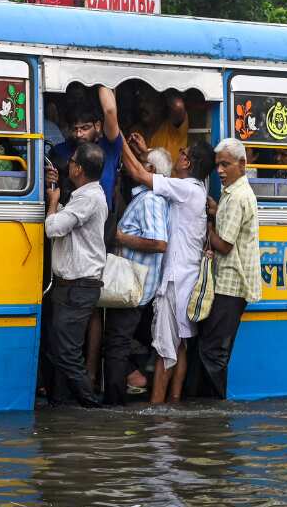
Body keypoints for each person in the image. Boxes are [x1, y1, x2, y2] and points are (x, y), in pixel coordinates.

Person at [122, 139, 215, 404]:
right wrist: (143, 153)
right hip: (188, 280)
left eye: (182, 153)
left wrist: (117, 139)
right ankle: (173, 404)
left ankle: (157, 411)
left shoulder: (185, 189)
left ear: (187, 162)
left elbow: (140, 174)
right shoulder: (196, 189)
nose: (178, 156)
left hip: (175, 282)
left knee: (166, 350)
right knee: (180, 347)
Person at [192, 139, 261, 399]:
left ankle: (214, 413)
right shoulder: (234, 193)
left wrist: (207, 227)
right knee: (213, 349)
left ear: (242, 164)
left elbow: (224, 245)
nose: (219, 170)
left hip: (230, 284)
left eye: (225, 164)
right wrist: (216, 211)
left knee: (213, 353)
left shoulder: (237, 196)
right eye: (218, 164)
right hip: (229, 284)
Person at [103, 148, 171, 405]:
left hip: (134, 286)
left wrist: (121, 238)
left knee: (117, 344)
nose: (136, 169)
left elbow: (158, 242)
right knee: (119, 342)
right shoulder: (144, 198)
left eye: (142, 164)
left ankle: (114, 402)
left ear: (151, 171)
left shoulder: (151, 200)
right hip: (135, 285)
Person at [43, 143, 107, 408]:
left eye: (71, 162)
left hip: (78, 286)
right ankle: (60, 403)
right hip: (70, 286)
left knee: (67, 352)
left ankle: (92, 408)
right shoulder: (86, 194)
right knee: (57, 348)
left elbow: (54, 228)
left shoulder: (89, 198)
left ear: (78, 168)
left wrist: (54, 203)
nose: (68, 165)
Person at [129, 87, 189, 162]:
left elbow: (178, 106)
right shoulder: (136, 131)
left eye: (148, 101)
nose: (142, 106)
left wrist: (160, 83)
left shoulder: (172, 128)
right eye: (141, 101)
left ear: (161, 105)